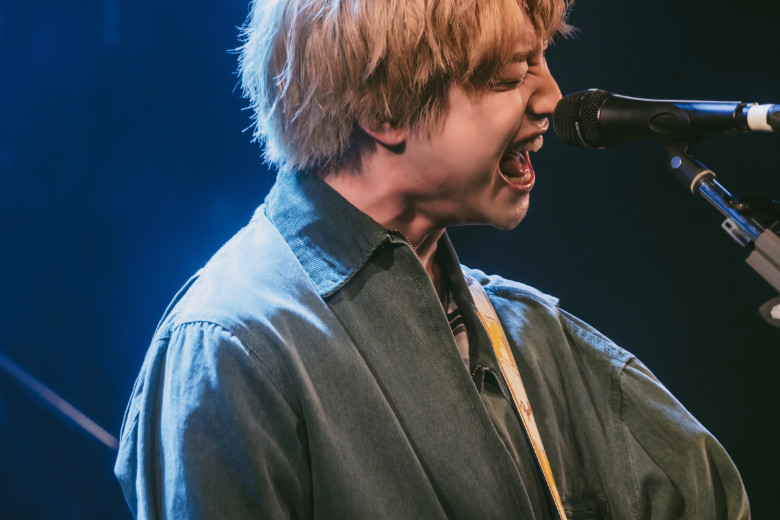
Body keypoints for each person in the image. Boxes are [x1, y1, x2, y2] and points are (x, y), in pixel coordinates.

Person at [115, 0, 751, 518]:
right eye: (510, 76)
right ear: (384, 109)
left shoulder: (531, 337)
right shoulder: (232, 345)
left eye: (542, 61)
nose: (552, 98)